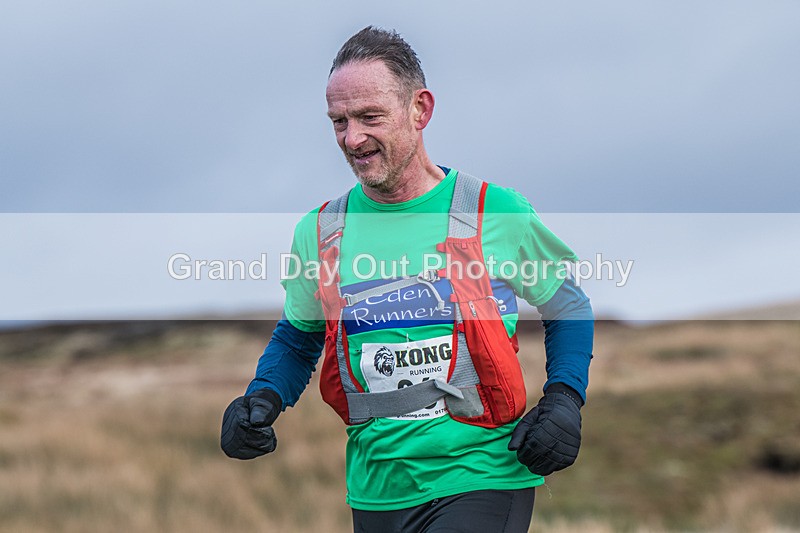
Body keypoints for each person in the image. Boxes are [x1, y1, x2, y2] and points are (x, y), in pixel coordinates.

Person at [221, 26, 594, 532]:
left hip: (482, 472)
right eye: (339, 122)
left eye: (369, 117)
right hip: (376, 487)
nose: (352, 139)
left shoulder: (495, 212)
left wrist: (565, 398)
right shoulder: (320, 232)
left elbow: (567, 305)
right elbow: (299, 335)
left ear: (420, 109)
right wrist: (261, 398)